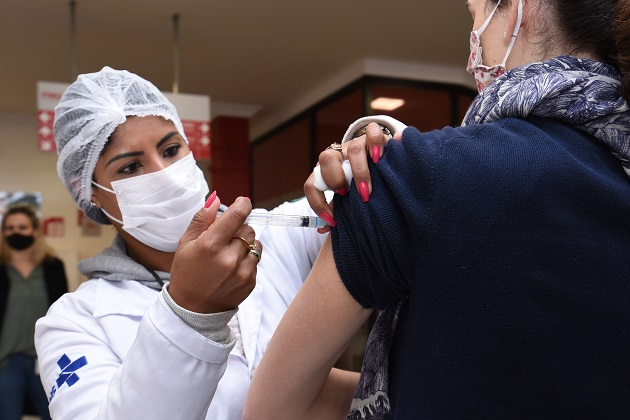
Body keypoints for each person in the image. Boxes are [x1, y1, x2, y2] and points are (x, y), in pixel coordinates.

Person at [244, 0, 630, 418]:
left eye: (476, 16)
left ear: (520, 8)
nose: (471, 58)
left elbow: (274, 408)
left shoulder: (410, 180)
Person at [34, 66, 331, 419]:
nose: (163, 173)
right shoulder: (75, 322)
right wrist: (189, 314)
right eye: (130, 168)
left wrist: (365, 150)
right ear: (91, 195)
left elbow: (374, 195)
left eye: (171, 149)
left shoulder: (276, 235)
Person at [0, 204, 68, 420]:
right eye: (9, 228)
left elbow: (62, 314)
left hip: (44, 359)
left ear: (35, 230)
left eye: (22, 227)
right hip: (5, 361)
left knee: (55, 415)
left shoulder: (53, 267)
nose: (15, 232)